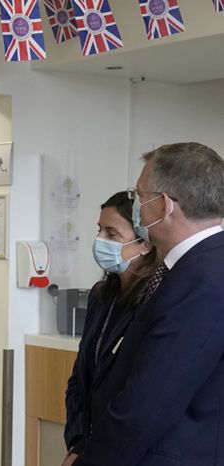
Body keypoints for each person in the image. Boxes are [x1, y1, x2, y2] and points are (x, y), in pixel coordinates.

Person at [68, 142, 224, 466]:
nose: (138, 208)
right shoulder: (192, 267)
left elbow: (150, 401)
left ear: (165, 205)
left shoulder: (202, 277)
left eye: (140, 196)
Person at [63, 191, 161, 465]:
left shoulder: (157, 299)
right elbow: (80, 378)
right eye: (99, 230)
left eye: (112, 233)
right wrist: (78, 441)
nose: (100, 241)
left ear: (144, 244)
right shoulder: (101, 296)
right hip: (88, 446)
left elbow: (138, 394)